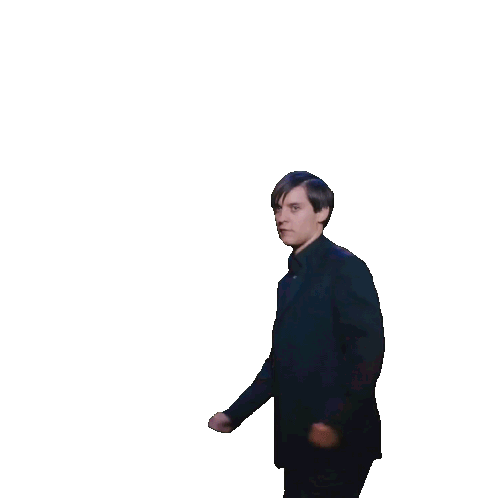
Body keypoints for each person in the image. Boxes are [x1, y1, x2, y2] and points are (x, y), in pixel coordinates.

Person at [208, 171, 385, 497]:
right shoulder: (289, 282)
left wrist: (333, 420)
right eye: (277, 209)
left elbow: (367, 352)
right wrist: (235, 414)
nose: (281, 218)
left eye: (294, 208)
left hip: (338, 438)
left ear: (322, 212)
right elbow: (280, 362)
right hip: (300, 438)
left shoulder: (346, 267)